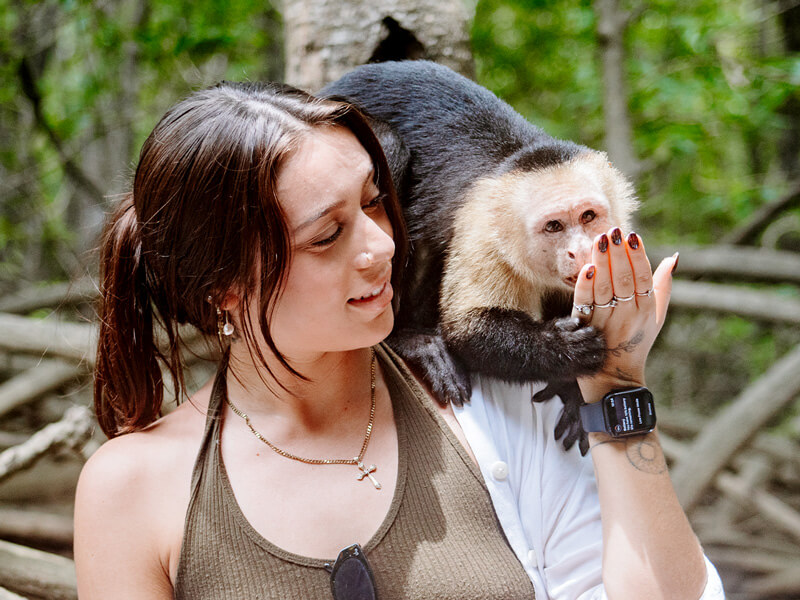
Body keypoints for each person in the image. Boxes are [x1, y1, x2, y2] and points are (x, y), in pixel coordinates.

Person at [74, 80, 720, 599]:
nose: (383, 245)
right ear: (224, 287)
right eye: (328, 235)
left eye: (379, 203)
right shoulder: (132, 490)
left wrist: (616, 385)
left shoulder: (492, 407)